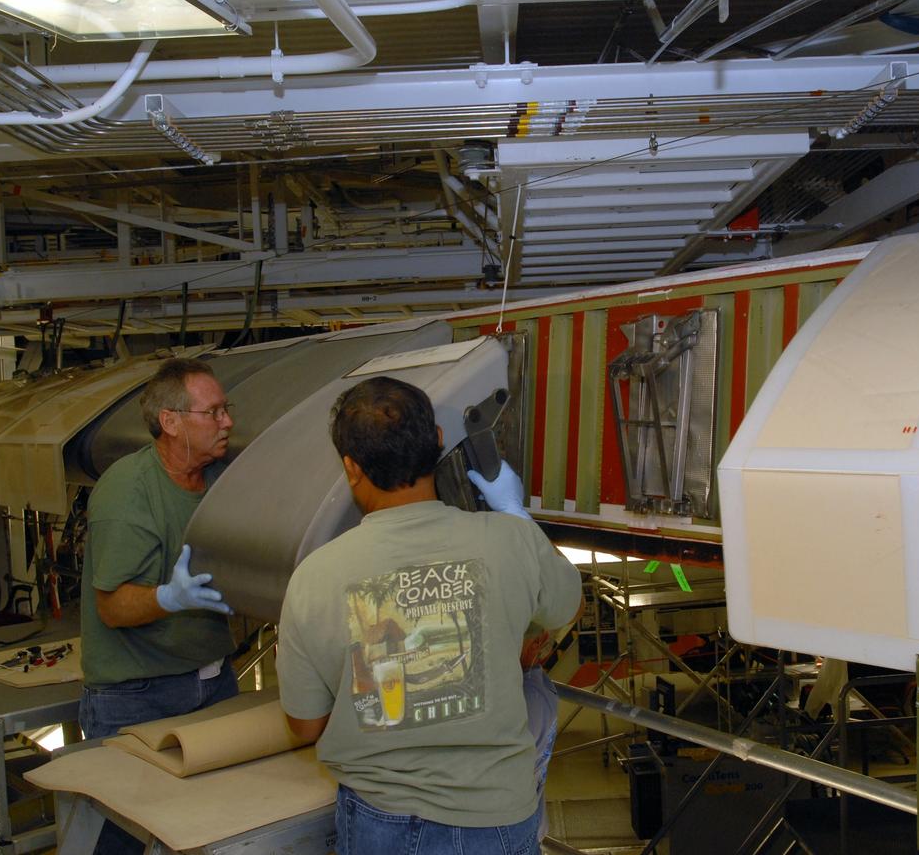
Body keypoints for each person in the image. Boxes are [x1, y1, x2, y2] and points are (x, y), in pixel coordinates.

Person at [277, 376, 582, 855]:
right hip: (498, 818)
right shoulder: (509, 542)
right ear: (438, 442)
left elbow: (306, 724)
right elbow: (568, 603)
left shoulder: (314, 577)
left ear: (352, 468)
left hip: (381, 823)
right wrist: (516, 515)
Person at [79, 357, 239, 741]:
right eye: (213, 413)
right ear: (170, 422)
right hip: (137, 696)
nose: (227, 422)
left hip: (215, 680)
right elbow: (112, 608)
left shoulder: (223, 479)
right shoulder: (129, 492)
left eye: (226, 410)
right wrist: (169, 598)